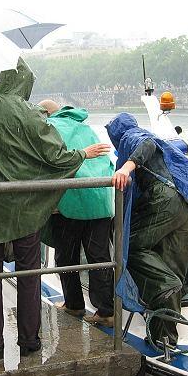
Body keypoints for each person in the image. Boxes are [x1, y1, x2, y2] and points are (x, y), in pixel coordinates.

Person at [0, 59, 109, 359]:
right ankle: (29, 340)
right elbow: (55, 156)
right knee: (29, 275)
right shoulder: (27, 113)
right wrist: (82, 154)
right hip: (25, 210)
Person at [106, 113, 188, 347]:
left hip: (163, 200)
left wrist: (126, 167)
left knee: (130, 247)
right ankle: (165, 339)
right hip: (184, 205)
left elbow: (145, 143)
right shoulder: (152, 140)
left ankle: (167, 284)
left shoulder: (131, 136)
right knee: (171, 265)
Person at [38, 100, 116, 328]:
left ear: (45, 114)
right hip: (101, 198)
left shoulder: (50, 128)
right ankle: (107, 311)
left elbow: (51, 163)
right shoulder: (85, 127)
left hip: (73, 200)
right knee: (99, 257)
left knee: (66, 256)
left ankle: (74, 304)